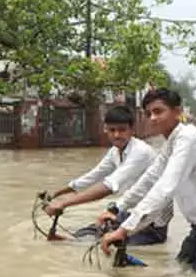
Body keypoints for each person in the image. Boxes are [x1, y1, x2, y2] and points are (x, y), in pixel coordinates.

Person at [100, 88, 196, 276]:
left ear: (177, 112)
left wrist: (126, 228)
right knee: (182, 269)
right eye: (148, 113)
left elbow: (166, 186)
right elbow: (150, 178)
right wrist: (117, 208)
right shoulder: (171, 143)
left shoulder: (188, 138)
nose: (152, 118)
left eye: (158, 111)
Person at [44, 105, 172, 246]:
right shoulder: (115, 152)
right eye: (112, 130)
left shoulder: (140, 152)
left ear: (132, 130)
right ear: (106, 130)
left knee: (104, 244)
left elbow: (109, 186)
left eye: (122, 130)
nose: (117, 135)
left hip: (152, 220)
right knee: (83, 234)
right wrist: (56, 194)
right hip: (128, 211)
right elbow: (93, 176)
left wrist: (64, 203)